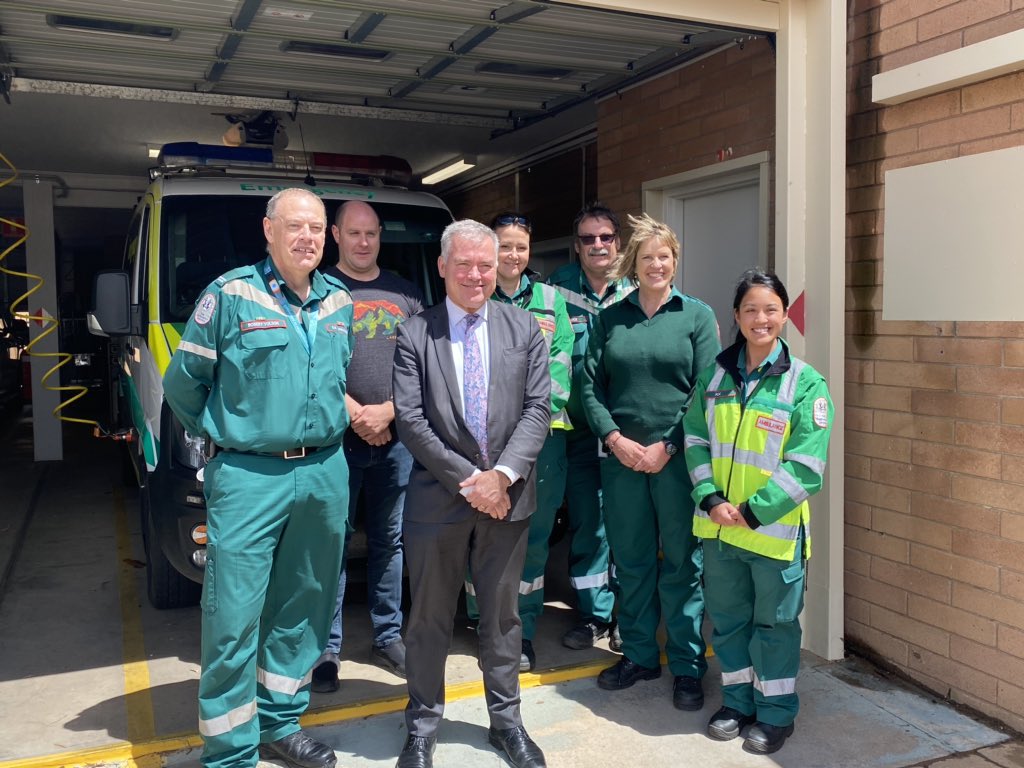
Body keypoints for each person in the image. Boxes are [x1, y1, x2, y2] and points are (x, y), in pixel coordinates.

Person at [164, 188, 353, 768]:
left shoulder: (338, 301)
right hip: (250, 475)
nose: (306, 238)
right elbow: (182, 384)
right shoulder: (229, 295)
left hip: (323, 472)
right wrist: (229, 433)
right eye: (294, 226)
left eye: (316, 228)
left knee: (304, 607)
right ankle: (230, 750)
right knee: (233, 615)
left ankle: (279, 723)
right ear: (268, 230)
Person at [392, 219, 551, 768]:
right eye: (464, 264)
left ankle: (507, 724)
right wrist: (474, 482)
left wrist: (501, 477)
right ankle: (421, 727)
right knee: (428, 619)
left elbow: (538, 408)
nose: (476, 275)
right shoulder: (415, 333)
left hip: (507, 499)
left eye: (486, 264)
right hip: (438, 500)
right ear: (442, 266)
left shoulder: (523, 327)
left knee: (503, 619)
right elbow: (411, 421)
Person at [683, 268, 833, 755]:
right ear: (736, 315)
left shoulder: (805, 384)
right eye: (750, 309)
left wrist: (753, 512)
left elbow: (806, 467)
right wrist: (710, 498)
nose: (760, 318)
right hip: (719, 531)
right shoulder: (714, 376)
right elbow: (695, 440)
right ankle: (737, 703)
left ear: (785, 316)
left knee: (774, 628)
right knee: (728, 625)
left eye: (770, 309)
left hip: (772, 534)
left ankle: (775, 714)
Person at [581, 213, 719, 711]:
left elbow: (706, 390)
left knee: (682, 563)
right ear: (633, 264)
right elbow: (589, 385)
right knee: (632, 561)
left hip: (676, 463)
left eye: (664, 256)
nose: (655, 265)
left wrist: (669, 446)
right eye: (646, 257)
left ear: (675, 262)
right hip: (622, 462)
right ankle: (639, 655)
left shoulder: (696, 316)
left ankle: (687, 666)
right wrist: (615, 439)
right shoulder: (610, 318)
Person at [311, 200, 424, 693]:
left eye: (371, 233)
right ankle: (325, 648)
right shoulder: (318, 291)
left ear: (380, 236)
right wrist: (357, 413)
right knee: (330, 544)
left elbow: (425, 366)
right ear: (336, 235)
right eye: (353, 233)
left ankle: (387, 635)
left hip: (397, 441)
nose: (363, 242)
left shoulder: (406, 293)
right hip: (336, 441)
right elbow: (310, 363)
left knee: (389, 540)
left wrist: (390, 412)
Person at [464, 212, 574, 672]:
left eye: (521, 247)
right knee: (483, 535)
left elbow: (561, 365)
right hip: (485, 442)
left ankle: (521, 629)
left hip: (542, 441)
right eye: (504, 246)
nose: (513, 255)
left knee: (533, 538)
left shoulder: (552, 301)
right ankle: (483, 623)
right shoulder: (473, 295)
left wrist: (529, 420)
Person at [546, 203, 634, 651]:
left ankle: (627, 617)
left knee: (629, 528)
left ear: (618, 242)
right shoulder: (555, 291)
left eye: (605, 237)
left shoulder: (639, 287)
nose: (597, 245)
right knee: (588, 526)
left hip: (629, 435)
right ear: (577, 246)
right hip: (579, 434)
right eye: (587, 239)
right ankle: (594, 615)